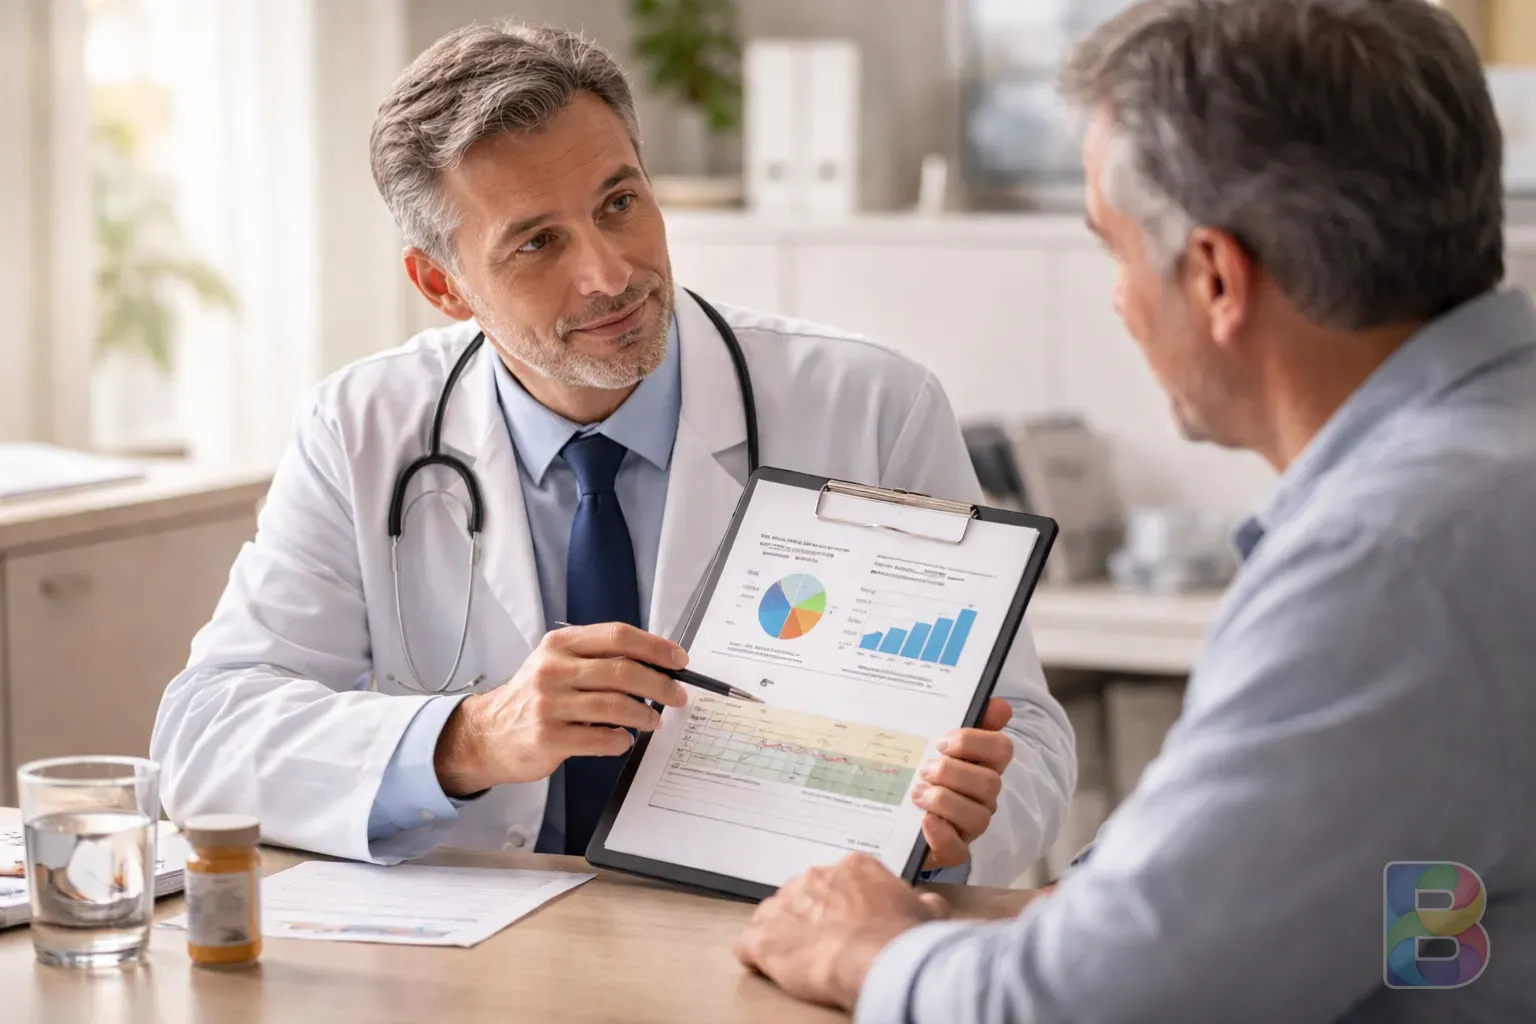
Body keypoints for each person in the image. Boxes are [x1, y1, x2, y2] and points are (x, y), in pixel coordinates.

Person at [733, 0, 1536, 1020]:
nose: (1116, 299)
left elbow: (1099, 1005)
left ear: (1214, 278)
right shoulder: (1486, 469)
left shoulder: (1393, 562)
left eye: (1113, 249)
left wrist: (868, 950)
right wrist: (1140, 891)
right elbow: (1402, 881)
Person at [148, 23, 1074, 883]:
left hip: (774, 948)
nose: (609, 273)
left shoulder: (870, 406)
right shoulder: (362, 427)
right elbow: (203, 740)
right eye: (538, 242)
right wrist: (470, 738)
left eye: (620, 202)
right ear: (442, 284)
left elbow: (1023, 733)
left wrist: (963, 826)